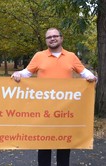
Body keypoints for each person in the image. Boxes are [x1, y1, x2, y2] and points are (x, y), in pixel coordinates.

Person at [11, 27, 97, 166]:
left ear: (61, 38)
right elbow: (26, 72)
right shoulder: (39, 56)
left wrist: (92, 78)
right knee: (44, 145)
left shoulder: (71, 56)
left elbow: (85, 73)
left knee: (64, 145)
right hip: (44, 110)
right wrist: (18, 74)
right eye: (49, 37)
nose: (52, 38)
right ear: (46, 41)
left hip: (65, 109)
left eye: (55, 36)